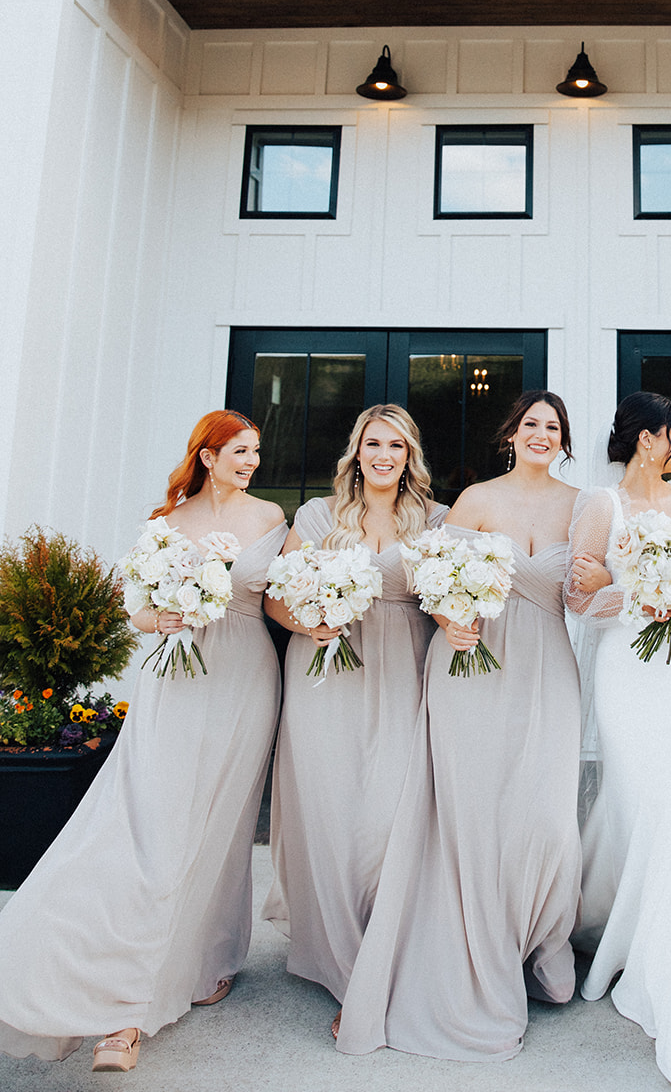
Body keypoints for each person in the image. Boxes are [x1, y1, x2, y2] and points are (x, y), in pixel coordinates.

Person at [0, 410, 285, 1070]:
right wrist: (162, 614)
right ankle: (122, 1008)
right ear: (207, 456)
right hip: (174, 680)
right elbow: (137, 610)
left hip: (245, 677)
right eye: (239, 451)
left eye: (256, 452)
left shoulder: (271, 518)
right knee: (154, 826)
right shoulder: (165, 525)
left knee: (222, 822)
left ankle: (212, 956)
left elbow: (275, 599)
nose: (251, 461)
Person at [334, 389, 581, 1061]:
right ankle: (477, 955)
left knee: (546, 815)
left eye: (551, 426)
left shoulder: (581, 505)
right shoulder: (472, 503)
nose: (539, 433)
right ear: (511, 433)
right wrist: (449, 619)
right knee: (471, 812)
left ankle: (538, 938)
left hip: (547, 668)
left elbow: (589, 590)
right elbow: (429, 584)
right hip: (471, 660)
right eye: (529, 423)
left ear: (564, 439)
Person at [261, 404, 446, 1021]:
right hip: (326, 674)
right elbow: (276, 596)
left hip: (404, 675)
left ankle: (382, 956)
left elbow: (457, 596)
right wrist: (308, 623)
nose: (384, 455)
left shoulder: (437, 522)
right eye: (374, 443)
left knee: (387, 820)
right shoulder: (318, 515)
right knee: (332, 816)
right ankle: (346, 971)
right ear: (356, 451)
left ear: (409, 455)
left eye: (397, 444)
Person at [565, 391, 671, 1092]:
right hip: (630, 670)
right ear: (646, 437)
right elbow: (578, 598)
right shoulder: (601, 504)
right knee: (638, 800)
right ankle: (621, 934)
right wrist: (638, 595)